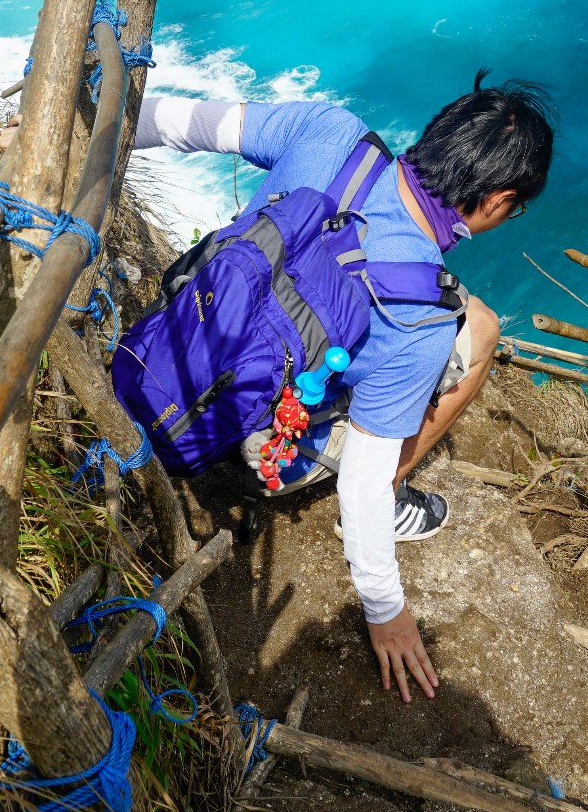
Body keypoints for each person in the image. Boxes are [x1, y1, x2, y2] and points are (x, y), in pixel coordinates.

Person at [128, 72, 554, 702]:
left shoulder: (328, 129)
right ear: (496, 201)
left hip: (165, 348)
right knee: (481, 333)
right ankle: (399, 492)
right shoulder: (421, 316)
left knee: (462, 319)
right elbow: (357, 484)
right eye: (513, 209)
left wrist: (68, 124)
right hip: (253, 447)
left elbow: (175, 122)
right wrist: (387, 613)